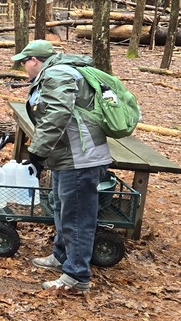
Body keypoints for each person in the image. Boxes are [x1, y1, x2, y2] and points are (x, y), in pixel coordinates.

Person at [14, 39, 111, 293]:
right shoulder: (57, 73)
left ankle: (77, 276)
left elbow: (58, 114)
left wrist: (36, 152)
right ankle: (61, 256)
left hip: (80, 158)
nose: (24, 68)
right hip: (67, 155)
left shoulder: (57, 74)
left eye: (24, 62)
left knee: (77, 217)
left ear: (34, 60)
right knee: (61, 208)